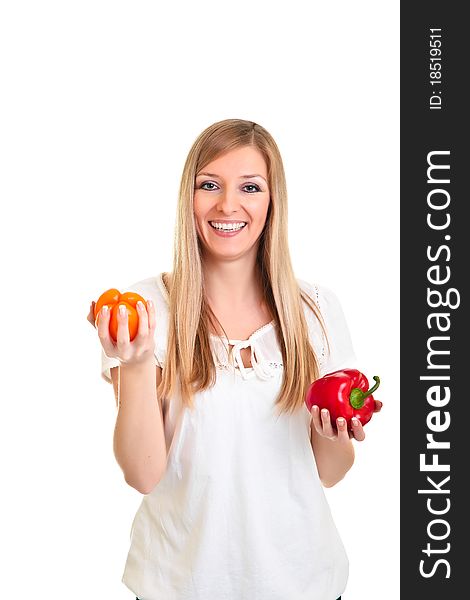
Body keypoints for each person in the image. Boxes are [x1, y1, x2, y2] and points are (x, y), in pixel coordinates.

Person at [87, 118, 382, 600]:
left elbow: (329, 472)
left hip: (302, 581)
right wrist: (136, 365)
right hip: (178, 585)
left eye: (250, 187)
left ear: (272, 201)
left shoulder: (316, 310)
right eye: (210, 185)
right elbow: (142, 473)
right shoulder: (144, 309)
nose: (228, 205)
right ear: (190, 197)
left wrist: (333, 435)